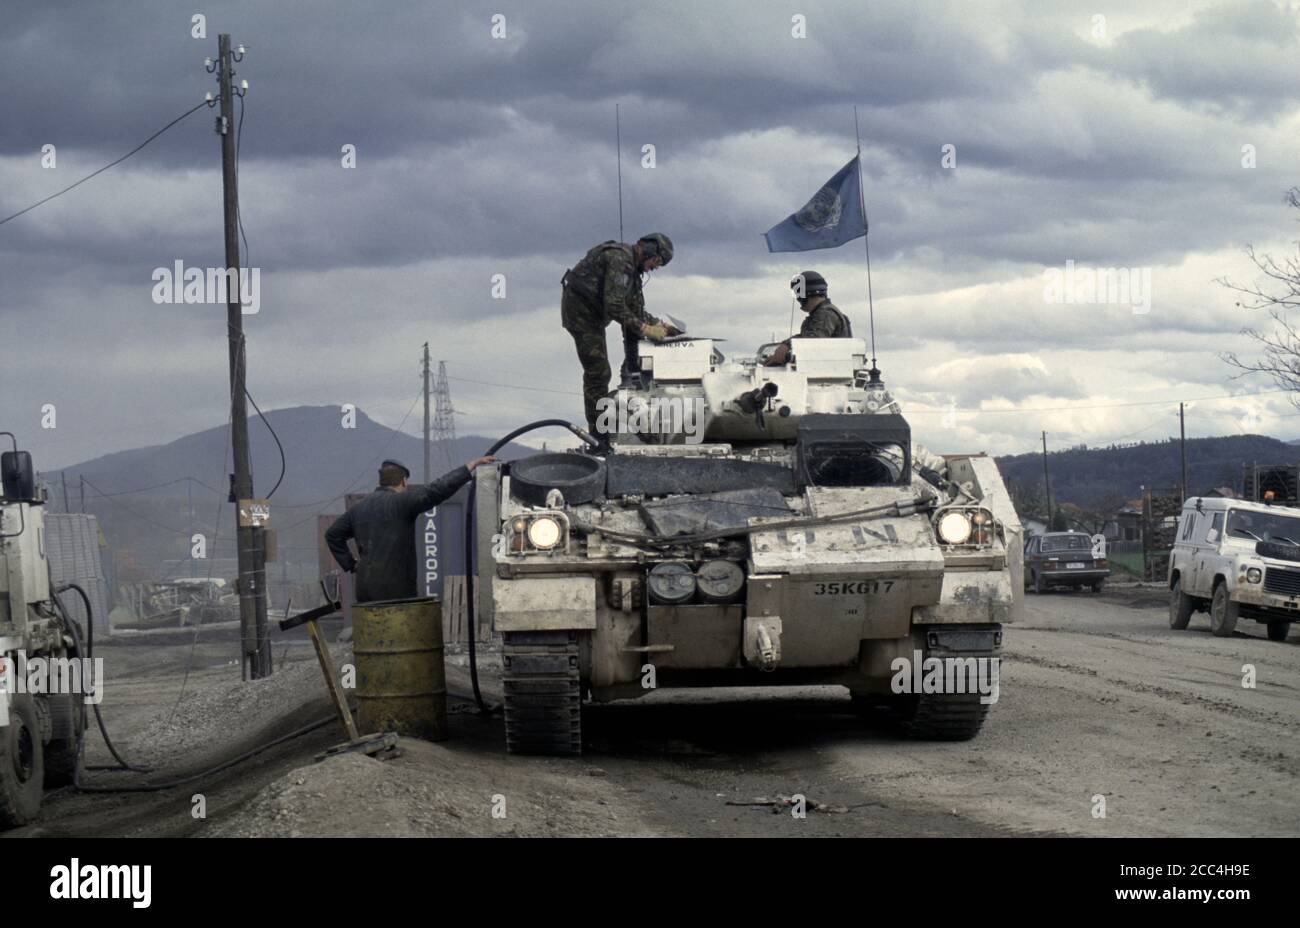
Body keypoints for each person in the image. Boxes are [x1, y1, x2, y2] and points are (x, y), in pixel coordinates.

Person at [325, 456, 494, 603]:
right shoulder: (402, 503)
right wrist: (469, 467)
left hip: (365, 590)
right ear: (403, 481)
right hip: (397, 592)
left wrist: (352, 564)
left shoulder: (358, 509)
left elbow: (332, 535)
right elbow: (437, 489)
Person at [561, 233, 679, 435]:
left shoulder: (633, 271)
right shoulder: (620, 259)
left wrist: (659, 325)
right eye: (657, 261)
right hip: (581, 315)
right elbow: (615, 305)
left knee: (605, 369)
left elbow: (635, 309)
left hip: (595, 316)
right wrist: (646, 329)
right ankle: (598, 436)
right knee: (598, 372)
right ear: (650, 250)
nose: (655, 267)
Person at [764, 270, 852, 366]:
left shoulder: (826, 314)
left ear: (805, 295)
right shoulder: (821, 313)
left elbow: (811, 343)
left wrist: (786, 346)